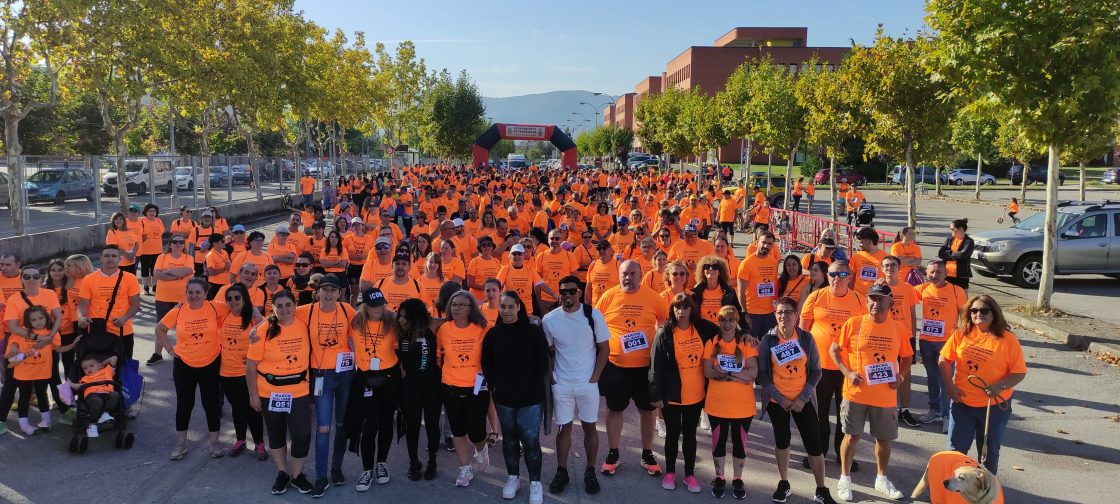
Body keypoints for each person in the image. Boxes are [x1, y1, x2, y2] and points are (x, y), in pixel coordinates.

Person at [829, 283, 913, 501]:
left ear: (890, 303)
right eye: (871, 299)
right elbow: (834, 350)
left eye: (880, 299)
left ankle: (881, 478)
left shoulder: (898, 329)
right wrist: (847, 373)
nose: (875, 303)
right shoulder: (854, 323)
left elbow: (907, 356)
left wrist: (900, 376)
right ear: (866, 302)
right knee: (851, 436)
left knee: (883, 439)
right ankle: (845, 479)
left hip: (884, 396)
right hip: (855, 394)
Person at [758, 297, 836, 504]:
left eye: (788, 312)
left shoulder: (806, 339)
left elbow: (816, 371)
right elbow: (763, 374)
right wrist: (779, 398)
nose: (784, 316)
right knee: (782, 441)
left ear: (796, 315)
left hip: (803, 400)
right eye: (780, 313)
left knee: (814, 444)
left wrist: (802, 398)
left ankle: (821, 488)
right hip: (778, 402)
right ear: (775, 316)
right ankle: (784, 483)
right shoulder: (768, 340)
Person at [595, 260, 669, 477]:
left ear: (640, 274)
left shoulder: (653, 297)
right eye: (624, 274)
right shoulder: (608, 296)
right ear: (619, 275)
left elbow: (665, 324)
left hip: (645, 367)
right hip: (615, 365)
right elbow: (596, 324)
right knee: (614, 409)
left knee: (647, 411)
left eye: (633, 273)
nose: (628, 278)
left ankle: (647, 454)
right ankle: (613, 453)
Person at [939, 295, 1026, 475]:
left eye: (984, 310)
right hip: (962, 402)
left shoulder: (1008, 340)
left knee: (988, 452)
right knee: (955, 451)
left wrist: (1000, 386)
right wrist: (949, 387)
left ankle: (985, 492)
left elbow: (1019, 372)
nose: (978, 314)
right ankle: (951, 492)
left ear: (994, 313)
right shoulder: (961, 334)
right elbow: (944, 360)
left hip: (993, 406)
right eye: (974, 311)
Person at [481, 290, 551, 504]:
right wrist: (494, 386)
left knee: (530, 441)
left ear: (519, 307)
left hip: (530, 398)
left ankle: (535, 483)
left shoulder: (533, 331)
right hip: (504, 398)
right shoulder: (493, 334)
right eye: (503, 307)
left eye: (511, 306)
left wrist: (532, 385)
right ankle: (513, 478)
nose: (507, 311)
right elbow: (487, 363)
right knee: (509, 439)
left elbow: (543, 362)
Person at [541, 276, 607, 495]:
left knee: (590, 426)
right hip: (562, 383)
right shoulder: (549, 320)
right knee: (564, 428)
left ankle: (590, 471)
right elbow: (548, 352)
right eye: (563, 292)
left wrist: (595, 377)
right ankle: (562, 471)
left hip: (587, 383)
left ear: (579, 292)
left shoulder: (593, 315)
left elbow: (604, 348)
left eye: (571, 291)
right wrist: (552, 378)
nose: (567, 295)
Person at [799, 261, 866, 470]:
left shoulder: (859, 300)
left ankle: (842, 453)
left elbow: (866, 333)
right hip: (819, 368)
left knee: (845, 413)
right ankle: (817, 452)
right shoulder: (816, 297)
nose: (837, 278)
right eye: (833, 274)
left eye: (842, 274)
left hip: (848, 369)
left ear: (850, 276)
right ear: (827, 276)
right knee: (818, 414)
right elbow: (803, 333)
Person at [247, 290, 315, 495]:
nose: (284, 310)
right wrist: (253, 395)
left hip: (299, 390)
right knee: (276, 434)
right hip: (271, 392)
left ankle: (297, 475)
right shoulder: (263, 330)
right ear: (272, 307)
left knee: (301, 434)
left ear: (295, 306)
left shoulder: (305, 323)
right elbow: (250, 366)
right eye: (280, 306)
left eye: (288, 305)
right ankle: (282, 473)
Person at [649, 294, 717, 493]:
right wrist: (656, 394)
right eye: (677, 307)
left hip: (696, 395)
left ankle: (689, 475)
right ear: (672, 310)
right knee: (672, 435)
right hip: (672, 395)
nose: (681, 311)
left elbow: (727, 328)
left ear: (691, 309)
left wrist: (745, 332)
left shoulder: (703, 328)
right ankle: (670, 472)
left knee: (690, 435)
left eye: (685, 307)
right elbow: (655, 366)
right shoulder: (665, 332)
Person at [296, 275, 357, 496]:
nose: (329, 294)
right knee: (323, 427)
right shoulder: (307, 311)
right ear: (318, 292)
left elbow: (367, 324)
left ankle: (336, 468)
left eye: (334, 290)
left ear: (340, 292)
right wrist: (258, 328)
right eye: (325, 290)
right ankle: (321, 476)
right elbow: (279, 316)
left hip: (345, 374)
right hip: (322, 376)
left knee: (341, 424)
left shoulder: (347, 310)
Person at [155, 278, 229, 459]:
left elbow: (240, 307)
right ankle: (181, 444)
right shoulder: (178, 311)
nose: (193, 296)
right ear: (186, 293)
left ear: (205, 294)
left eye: (198, 292)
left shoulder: (215, 307)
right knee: (184, 404)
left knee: (211, 404)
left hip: (210, 362)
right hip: (184, 364)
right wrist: (170, 350)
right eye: (190, 292)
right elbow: (160, 329)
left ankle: (214, 443)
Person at [703, 306, 759, 500]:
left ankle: (737, 478)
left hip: (742, 406)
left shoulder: (746, 343)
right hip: (717, 404)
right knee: (718, 443)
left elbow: (753, 373)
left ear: (737, 322)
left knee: (739, 444)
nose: (727, 324)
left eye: (731, 320)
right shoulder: (712, 342)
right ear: (719, 322)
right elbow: (708, 371)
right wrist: (739, 376)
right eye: (723, 320)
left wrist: (727, 374)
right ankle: (719, 477)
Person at [438, 290, 492, 487]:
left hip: (476, 386)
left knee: (477, 431)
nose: (457, 308)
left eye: (462, 304)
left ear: (470, 309)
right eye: (454, 304)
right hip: (450, 385)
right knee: (458, 430)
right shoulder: (443, 329)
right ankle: (464, 469)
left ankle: (481, 449)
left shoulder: (482, 328)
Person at [349, 287, 400, 493]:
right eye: (374, 304)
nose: (378, 308)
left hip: (389, 377)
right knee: (369, 425)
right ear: (365, 306)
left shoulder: (393, 322)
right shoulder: (355, 322)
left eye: (381, 303)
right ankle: (367, 469)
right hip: (365, 378)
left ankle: (382, 463)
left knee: (387, 421)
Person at [0, 305, 78, 435]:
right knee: (24, 396)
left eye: (40, 318)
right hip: (23, 372)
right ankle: (24, 425)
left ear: (46, 318)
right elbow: (9, 356)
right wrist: (14, 350)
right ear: (28, 321)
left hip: (43, 371)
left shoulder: (51, 333)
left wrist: (74, 344)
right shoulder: (20, 332)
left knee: (42, 395)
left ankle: (46, 422)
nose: (38, 321)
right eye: (34, 320)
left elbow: (59, 350)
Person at [914, 260, 967, 430]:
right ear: (926, 273)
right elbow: (900, 293)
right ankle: (934, 410)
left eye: (938, 272)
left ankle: (947, 414)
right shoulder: (922, 289)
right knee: (931, 377)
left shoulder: (956, 290)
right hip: (927, 341)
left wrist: (962, 337)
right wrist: (883, 281)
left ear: (946, 273)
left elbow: (965, 316)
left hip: (947, 342)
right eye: (931, 272)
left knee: (946, 379)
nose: (934, 275)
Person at [217, 283, 266, 459]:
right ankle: (240, 440)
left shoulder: (254, 319)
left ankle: (259, 443)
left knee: (252, 408)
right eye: (229, 299)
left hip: (247, 373)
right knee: (237, 408)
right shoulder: (223, 317)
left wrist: (256, 312)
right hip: (226, 372)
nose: (233, 301)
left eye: (237, 298)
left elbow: (270, 327)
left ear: (244, 299)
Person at [397, 298, 442, 482]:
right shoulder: (400, 330)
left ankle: (432, 460)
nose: (401, 320)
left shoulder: (432, 326)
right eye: (400, 316)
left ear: (415, 317)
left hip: (432, 384)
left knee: (432, 424)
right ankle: (414, 462)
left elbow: (457, 318)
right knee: (412, 425)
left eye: (405, 317)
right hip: (411, 385)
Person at [76, 246, 142, 363]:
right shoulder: (89, 279)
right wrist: (81, 317)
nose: (110, 259)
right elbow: (82, 304)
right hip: (97, 331)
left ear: (120, 259)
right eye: (106, 256)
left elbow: (135, 304)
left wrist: (124, 318)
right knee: (97, 368)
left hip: (122, 330)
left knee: (123, 368)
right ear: (101, 258)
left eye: (113, 256)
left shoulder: (130, 278)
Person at [878, 255, 922, 428]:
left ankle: (904, 409)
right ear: (882, 269)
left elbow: (912, 314)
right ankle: (887, 407)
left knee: (905, 374)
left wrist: (913, 337)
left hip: (905, 336)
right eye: (886, 266)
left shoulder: (908, 288)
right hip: (885, 334)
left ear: (899, 268)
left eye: (893, 265)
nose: (890, 268)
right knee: (885, 370)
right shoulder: (879, 286)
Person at [148, 234, 194, 365]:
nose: (178, 244)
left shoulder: (188, 257)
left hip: (183, 299)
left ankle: (187, 352)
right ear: (170, 244)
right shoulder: (161, 257)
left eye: (181, 242)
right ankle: (157, 354)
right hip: (163, 298)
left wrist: (167, 272)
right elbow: (157, 274)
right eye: (175, 242)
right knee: (161, 326)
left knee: (186, 327)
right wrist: (178, 274)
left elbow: (187, 271)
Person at [737, 231, 780, 339]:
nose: (766, 246)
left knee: (768, 345)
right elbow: (740, 291)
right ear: (757, 243)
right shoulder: (747, 263)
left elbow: (774, 285)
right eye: (764, 242)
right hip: (752, 312)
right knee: (751, 346)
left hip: (769, 313)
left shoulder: (774, 262)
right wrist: (744, 312)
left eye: (770, 244)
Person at [690, 255, 742, 327]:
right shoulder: (695, 292)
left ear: (720, 271)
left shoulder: (729, 291)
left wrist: (745, 331)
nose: (711, 269)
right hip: (702, 331)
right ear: (703, 271)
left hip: (722, 330)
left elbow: (738, 313)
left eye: (715, 267)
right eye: (707, 266)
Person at [849, 227, 887, 297]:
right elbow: (851, 278)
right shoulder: (856, 256)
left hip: (876, 298)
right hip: (858, 297)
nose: (859, 245)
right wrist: (850, 294)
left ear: (869, 242)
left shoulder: (885, 258)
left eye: (861, 242)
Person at [938, 218, 975, 290]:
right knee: (947, 294)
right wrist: (955, 254)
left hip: (961, 274)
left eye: (952, 229)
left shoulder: (969, 241)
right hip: (946, 273)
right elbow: (940, 254)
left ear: (961, 229)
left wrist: (948, 253)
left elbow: (963, 255)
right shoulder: (949, 239)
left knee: (962, 297)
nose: (951, 231)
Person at [138, 204, 165, 296]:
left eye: (154, 211)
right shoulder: (142, 220)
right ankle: (145, 287)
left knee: (155, 269)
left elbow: (162, 232)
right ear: (146, 212)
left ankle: (155, 287)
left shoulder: (159, 220)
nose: (152, 213)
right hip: (144, 250)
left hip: (157, 250)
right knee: (144, 269)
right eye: (149, 211)